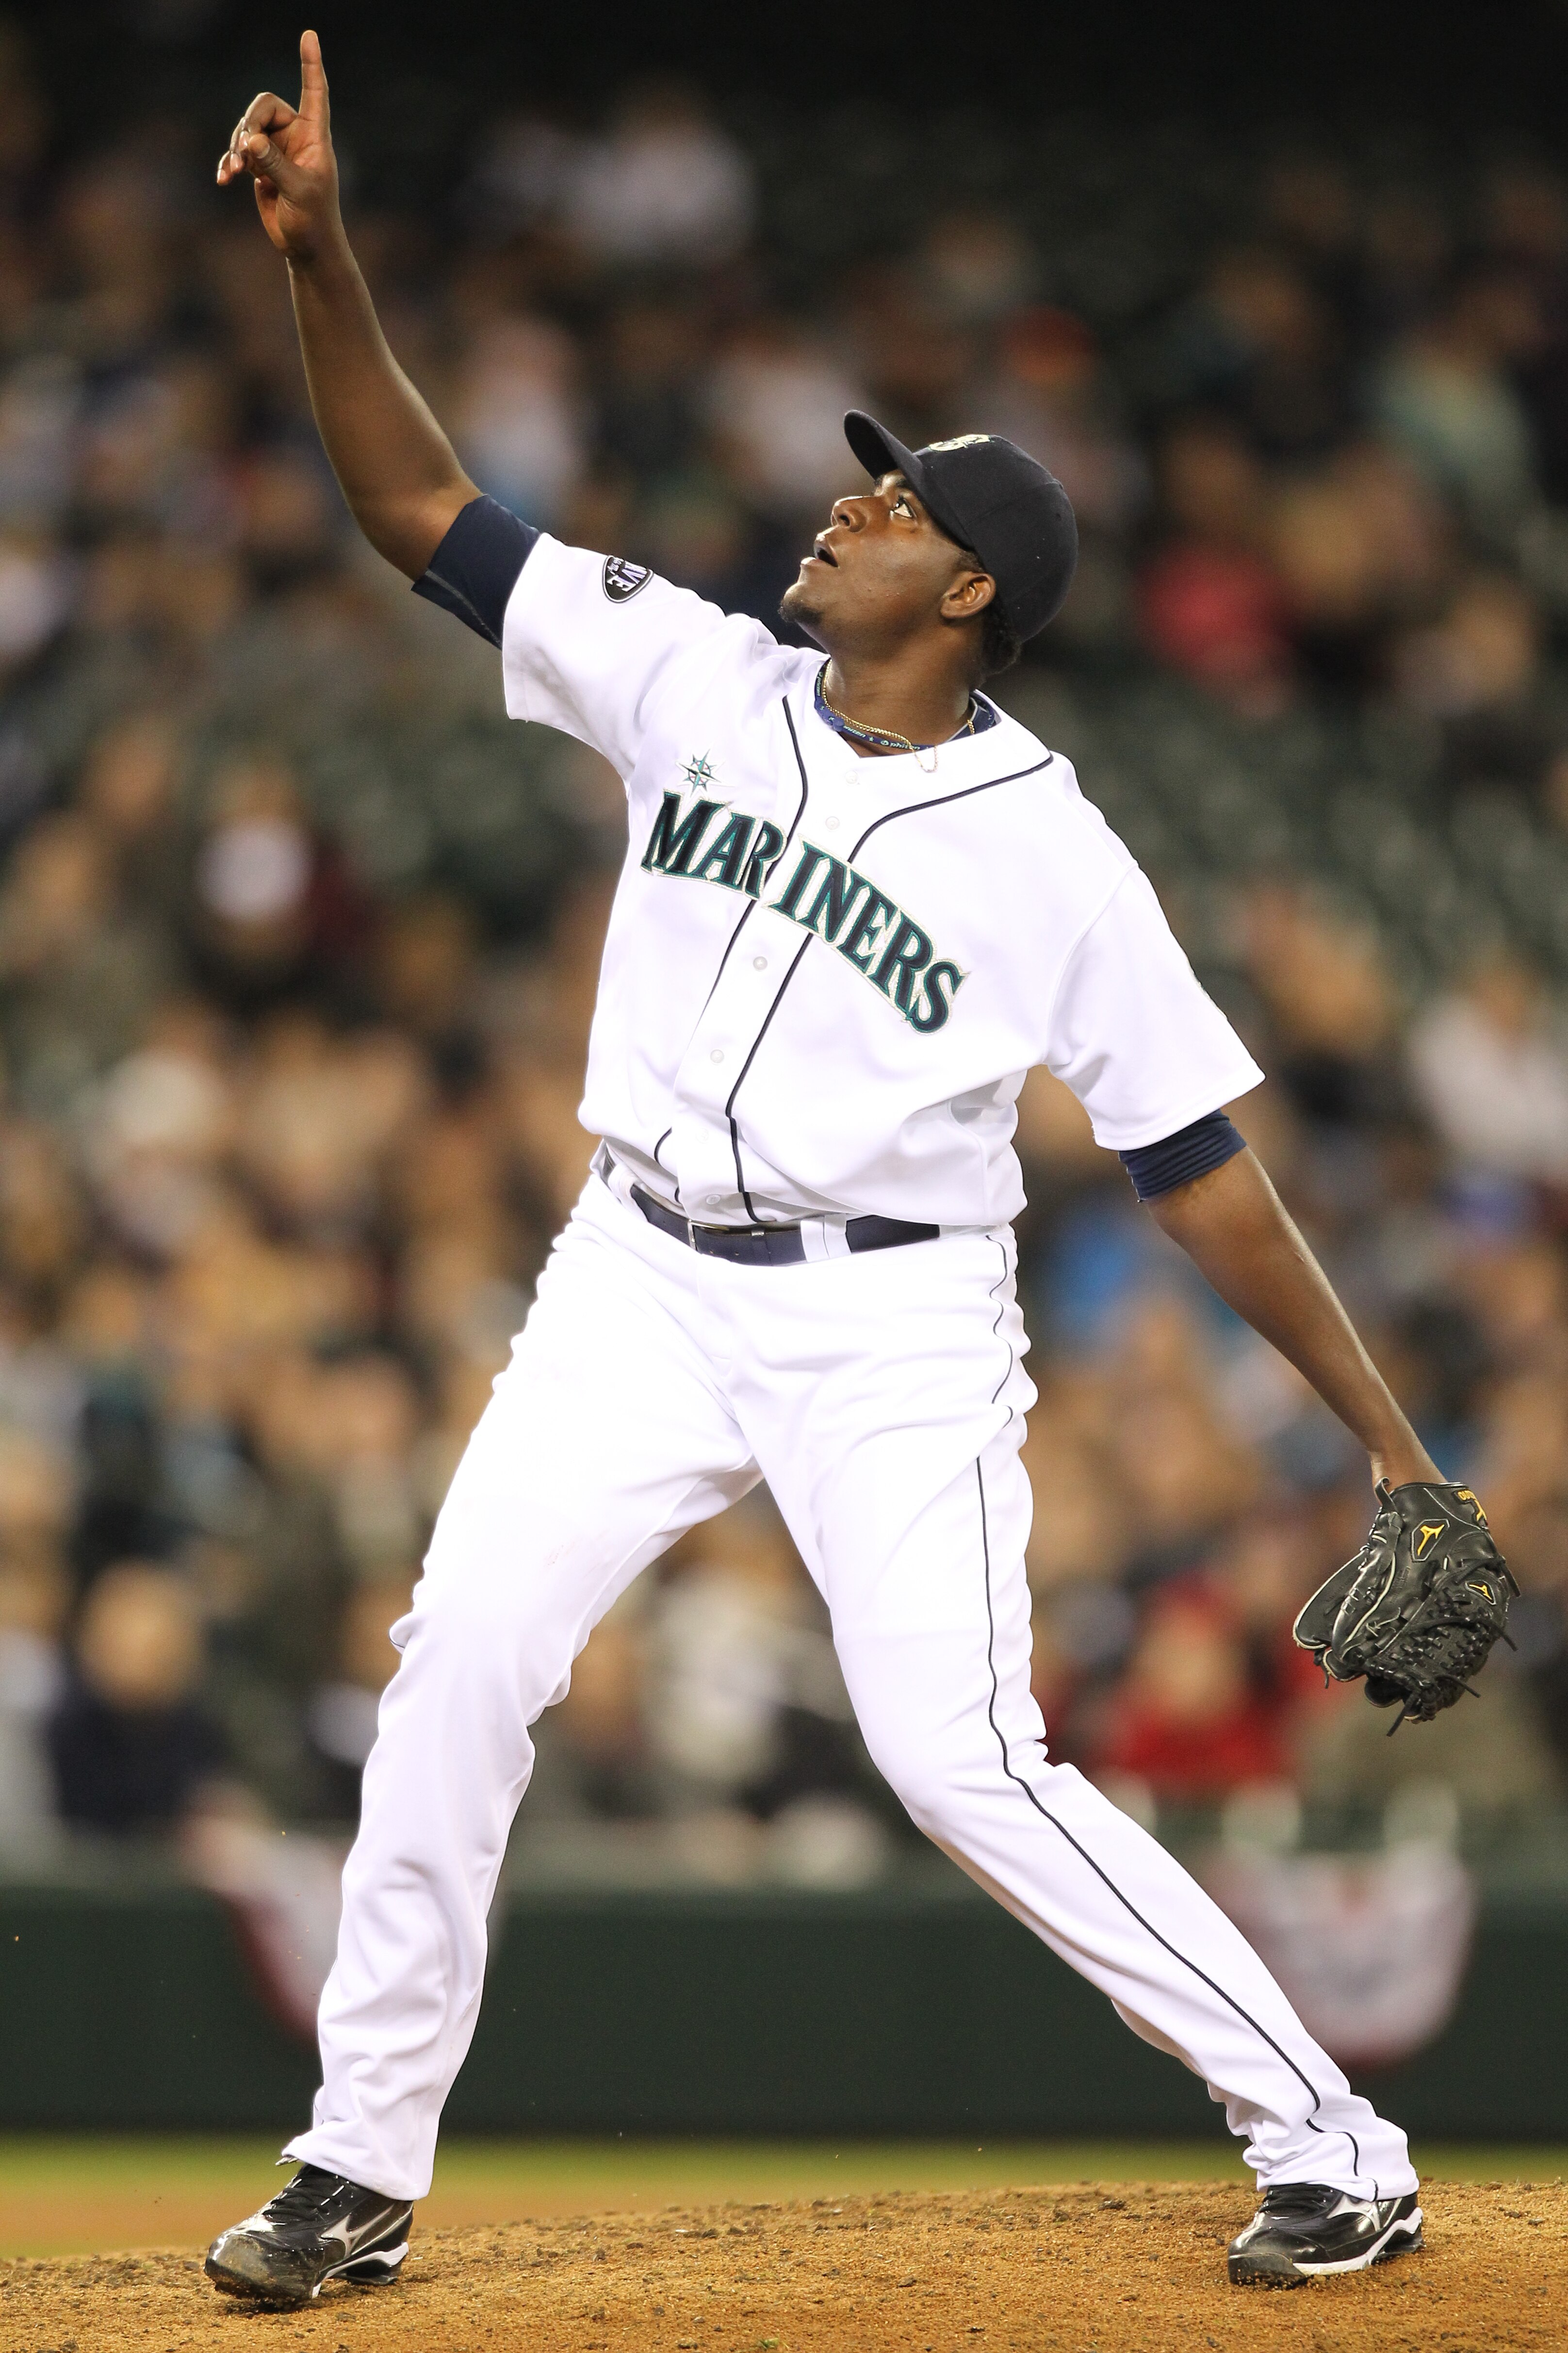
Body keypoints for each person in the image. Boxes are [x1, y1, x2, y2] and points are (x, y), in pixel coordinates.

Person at [206, 33, 1441, 2305]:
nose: (841, 508)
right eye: (858, 488)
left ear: (967, 593)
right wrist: (325, 256)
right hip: (637, 1273)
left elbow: (1199, 1163)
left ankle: (1332, 2139)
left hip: (886, 1318)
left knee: (959, 1757)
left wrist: (1386, 1440)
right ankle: (354, 2162)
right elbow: (420, 513)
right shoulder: (691, 673)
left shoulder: (1051, 846)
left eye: (892, 508)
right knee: (462, 1648)